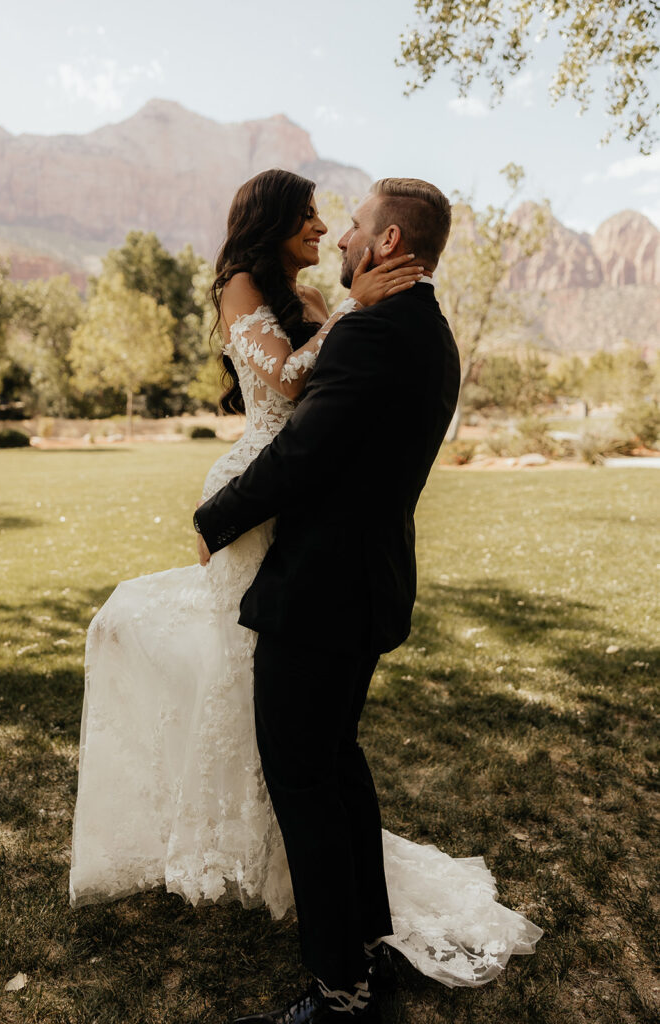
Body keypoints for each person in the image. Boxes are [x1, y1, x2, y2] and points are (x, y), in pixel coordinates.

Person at [70, 169, 542, 1024]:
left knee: (305, 786)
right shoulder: (427, 331)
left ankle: (338, 995)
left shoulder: (370, 331)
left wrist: (217, 516)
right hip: (360, 583)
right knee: (337, 770)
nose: (343, 235)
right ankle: (367, 949)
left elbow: (302, 456)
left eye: (356, 223)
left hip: (320, 590)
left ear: (389, 241)